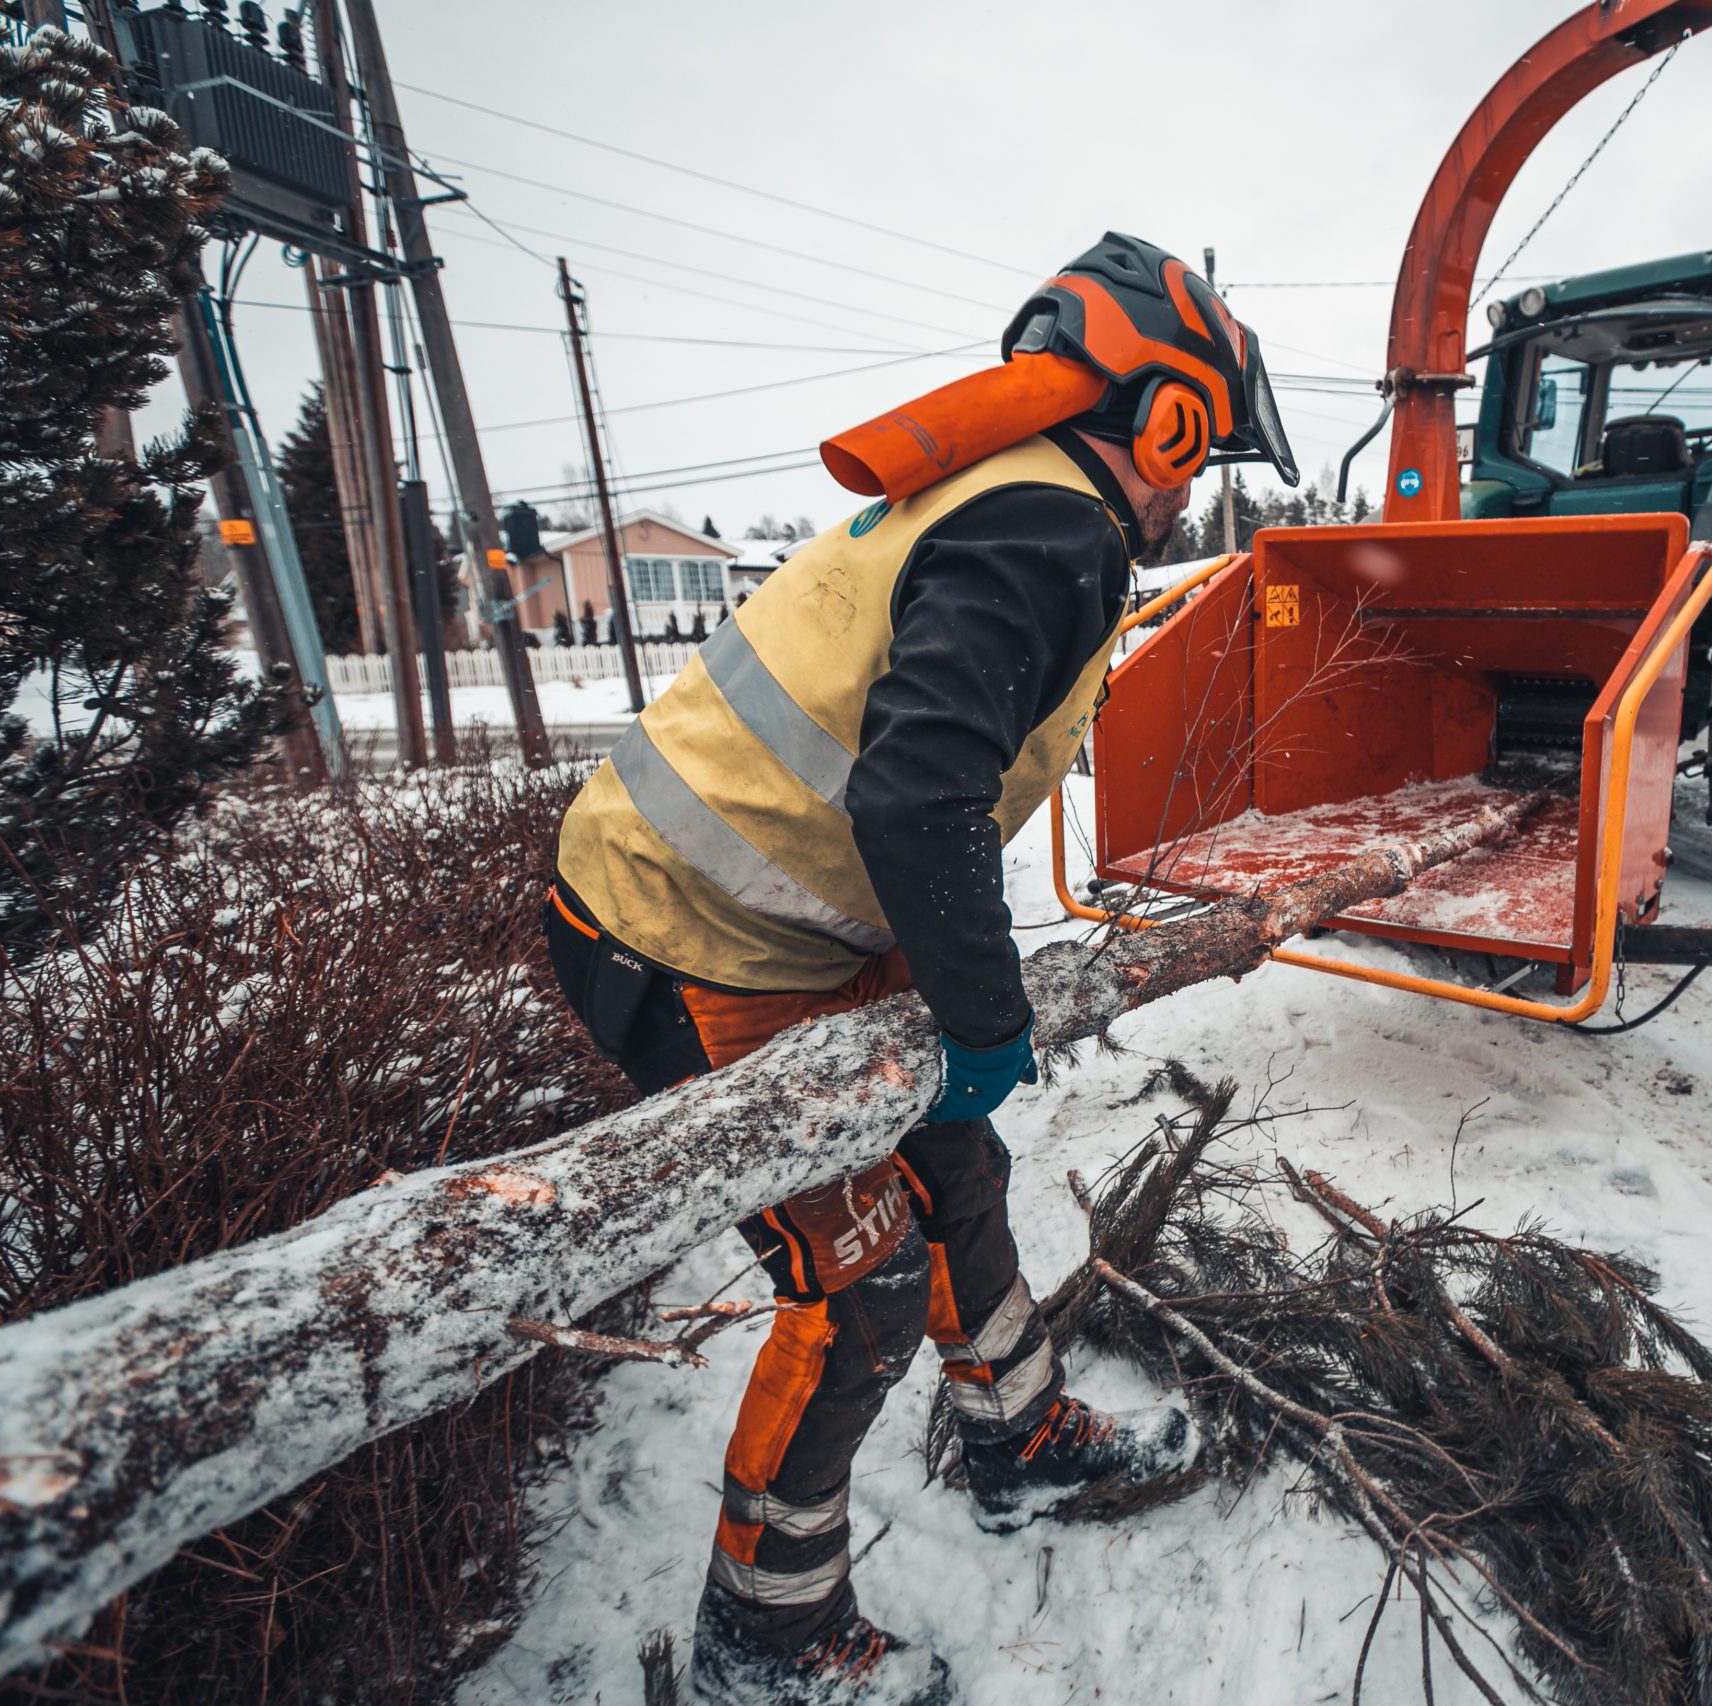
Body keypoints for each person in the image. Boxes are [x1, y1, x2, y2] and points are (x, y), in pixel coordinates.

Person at [542, 233, 1301, 1706]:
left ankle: (1016, 1438)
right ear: (1168, 420)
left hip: (783, 922)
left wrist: (961, 1019)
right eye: (1195, 464)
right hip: (677, 929)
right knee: (863, 1278)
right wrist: (984, 1011)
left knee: (954, 1167)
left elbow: (910, 782)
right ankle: (764, 1632)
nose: (1186, 498)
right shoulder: (1050, 525)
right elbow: (917, 790)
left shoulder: (1005, 499)